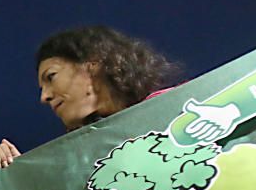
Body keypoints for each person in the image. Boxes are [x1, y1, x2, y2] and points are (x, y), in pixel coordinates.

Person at [36, 25, 179, 132]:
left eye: (51, 76)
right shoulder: (84, 158)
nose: (44, 97)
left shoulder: (182, 109)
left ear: (93, 63)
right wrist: (22, 170)